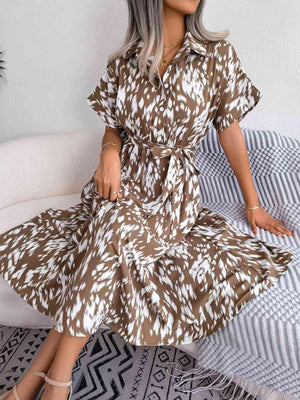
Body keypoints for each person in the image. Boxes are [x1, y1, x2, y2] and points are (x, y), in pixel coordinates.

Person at [0, 0, 295, 399]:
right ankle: (46, 382)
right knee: (109, 226)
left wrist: (253, 204)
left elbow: (230, 133)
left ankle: (47, 379)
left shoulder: (216, 55)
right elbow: (113, 129)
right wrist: (108, 153)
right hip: (119, 186)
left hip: (173, 195)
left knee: (111, 230)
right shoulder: (125, 62)